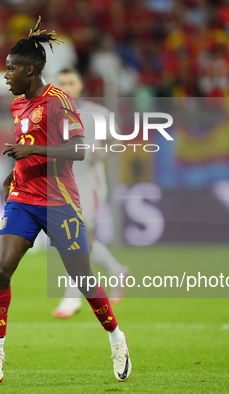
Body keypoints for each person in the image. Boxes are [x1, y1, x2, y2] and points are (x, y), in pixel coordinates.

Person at [0, 17, 131, 385]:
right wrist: (11, 175)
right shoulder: (18, 106)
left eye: (11, 70)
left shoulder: (60, 103)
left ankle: (117, 338)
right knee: (1, 270)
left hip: (58, 202)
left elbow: (79, 150)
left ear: (30, 70)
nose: (6, 76)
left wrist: (31, 149)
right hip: (22, 199)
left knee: (83, 279)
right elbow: (27, 152)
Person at [52, 67, 131, 318]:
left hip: (89, 183)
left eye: (71, 82)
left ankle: (71, 298)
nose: (66, 87)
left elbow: (116, 141)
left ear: (80, 85)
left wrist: (103, 152)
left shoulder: (98, 114)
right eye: (61, 82)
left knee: (74, 236)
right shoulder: (49, 114)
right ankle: (117, 270)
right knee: (83, 241)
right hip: (61, 183)